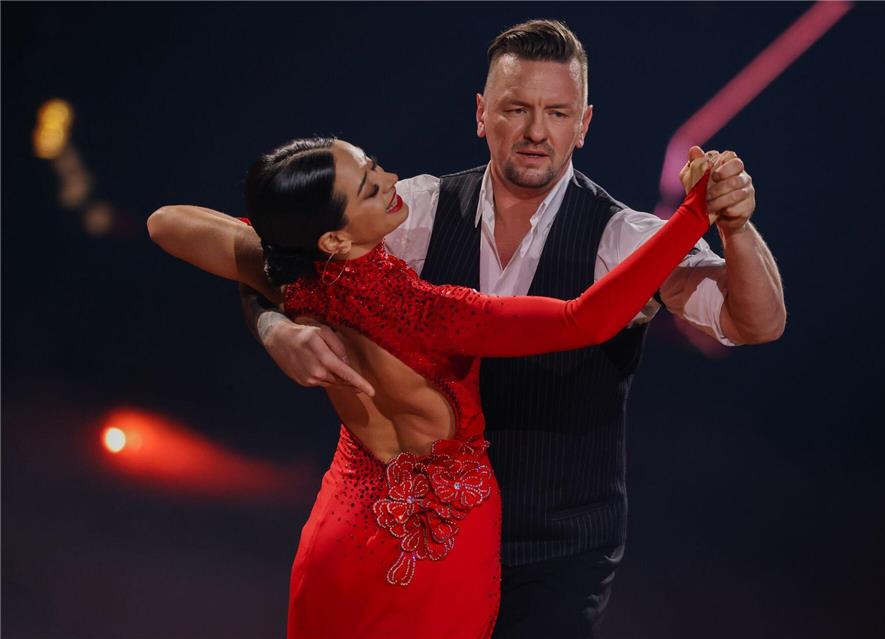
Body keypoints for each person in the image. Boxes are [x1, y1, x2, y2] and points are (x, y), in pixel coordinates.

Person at [229, 20, 783, 639]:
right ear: (481, 113)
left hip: (556, 546)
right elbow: (272, 248)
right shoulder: (412, 211)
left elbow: (754, 322)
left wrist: (732, 225)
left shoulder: (624, 237)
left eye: (557, 112)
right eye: (516, 109)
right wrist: (278, 328)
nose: (536, 132)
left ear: (585, 124)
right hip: (421, 532)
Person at [148, 136, 718, 638]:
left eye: (374, 167)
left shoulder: (295, 276)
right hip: (436, 549)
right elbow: (583, 320)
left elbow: (164, 223)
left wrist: (274, 318)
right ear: (335, 241)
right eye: (371, 189)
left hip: (340, 531)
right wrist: (694, 214)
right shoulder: (427, 314)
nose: (392, 180)